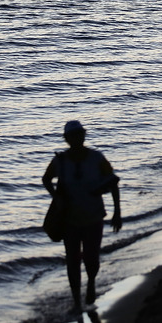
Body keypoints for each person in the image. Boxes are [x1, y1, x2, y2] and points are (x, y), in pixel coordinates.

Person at [42, 120, 122, 312]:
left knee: (91, 259)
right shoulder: (60, 161)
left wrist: (117, 212)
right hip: (69, 219)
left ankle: (91, 283)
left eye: (80, 134)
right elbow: (46, 179)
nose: (77, 138)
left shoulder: (96, 158)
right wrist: (56, 198)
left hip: (94, 217)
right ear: (66, 139)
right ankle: (77, 301)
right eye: (73, 135)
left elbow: (112, 182)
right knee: (72, 260)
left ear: (84, 135)